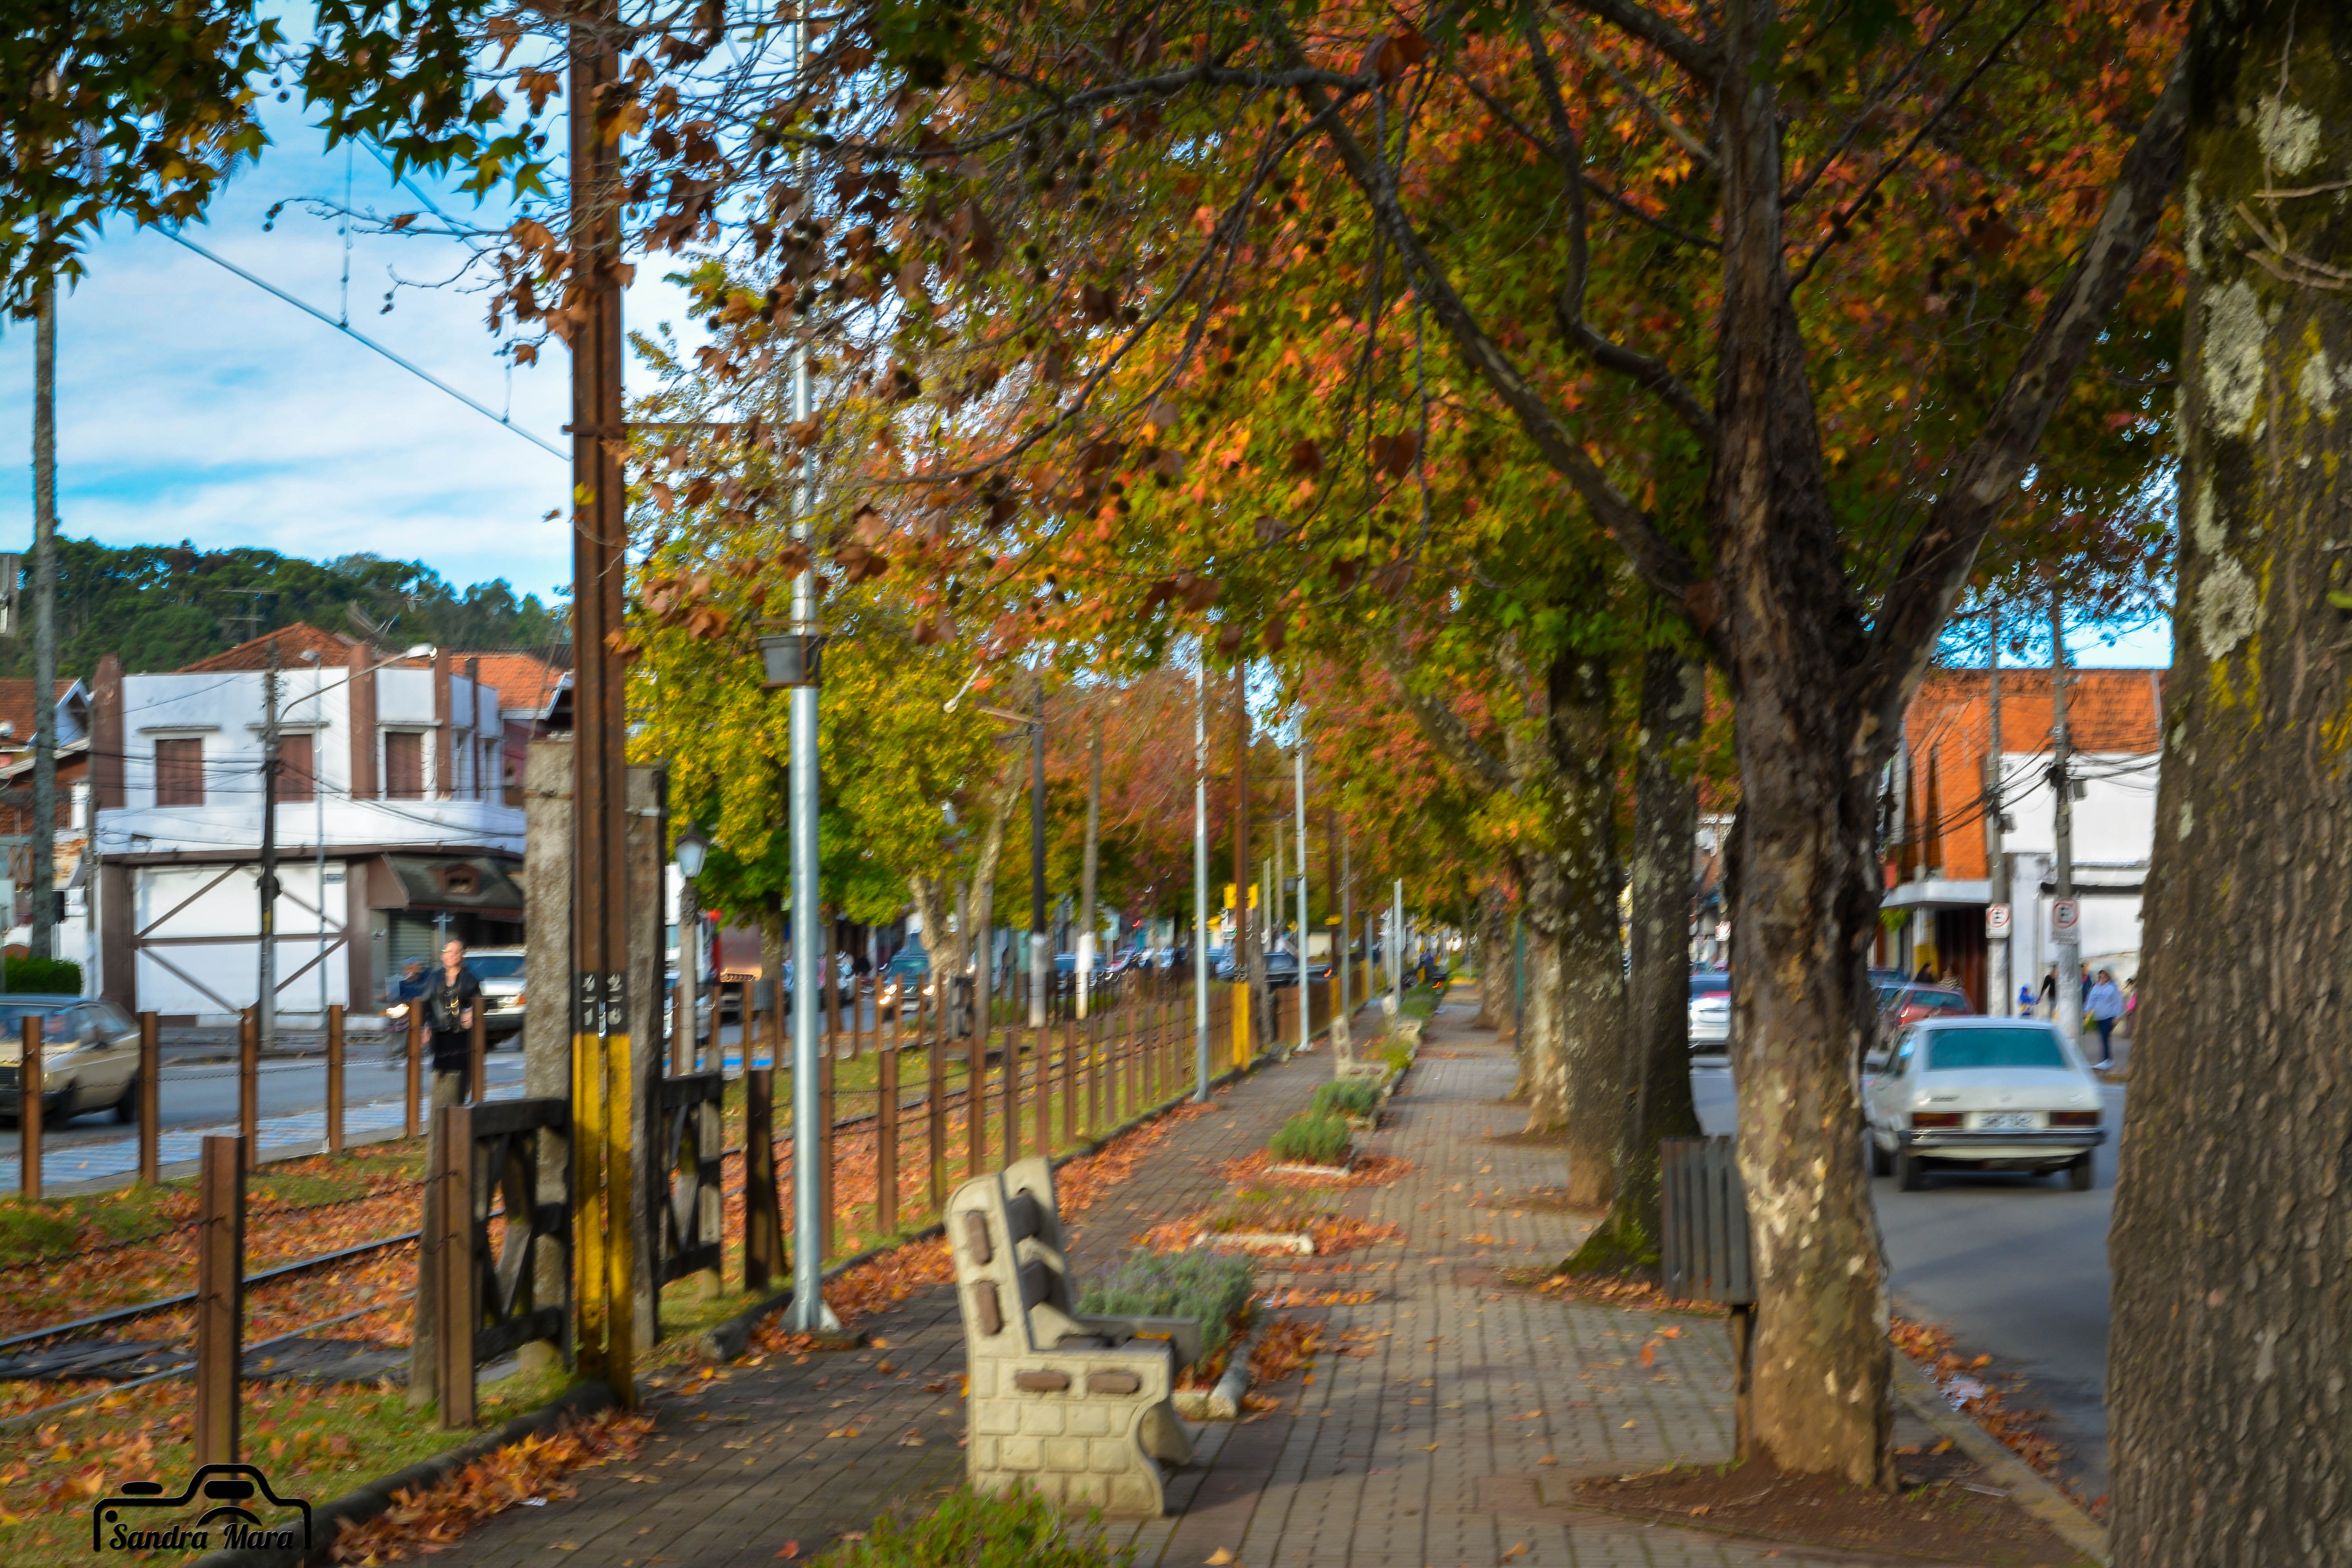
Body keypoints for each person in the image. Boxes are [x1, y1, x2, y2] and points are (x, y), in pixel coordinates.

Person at [423, 938, 483, 1101]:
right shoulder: (434, 978)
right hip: (440, 1032)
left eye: (456, 952)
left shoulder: (471, 979)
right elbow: (425, 1004)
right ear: (442, 956)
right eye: (448, 951)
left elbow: (480, 1003)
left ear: (462, 955)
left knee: (460, 1072)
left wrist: (470, 1012)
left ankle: (459, 1104)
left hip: (461, 1034)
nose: (451, 955)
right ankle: (441, 1108)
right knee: (441, 1072)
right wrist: (426, 1026)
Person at [2087, 968, 2123, 1066]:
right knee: (2103, 1038)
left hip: (2109, 1017)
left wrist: (2118, 1017)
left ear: (2108, 977)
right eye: (2100, 977)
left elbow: (2118, 1003)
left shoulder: (2112, 988)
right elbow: (2091, 1000)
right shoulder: (2096, 988)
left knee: (2105, 1037)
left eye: (2104, 977)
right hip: (2099, 1017)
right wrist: (2087, 1010)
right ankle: (2106, 1059)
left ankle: (2107, 1060)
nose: (2102, 979)